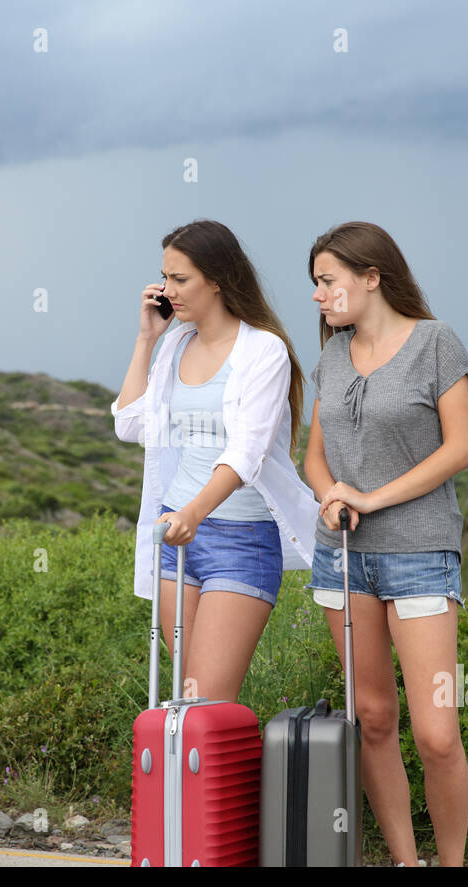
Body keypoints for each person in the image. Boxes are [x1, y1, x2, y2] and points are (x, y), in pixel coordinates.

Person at [302, 221, 468, 867]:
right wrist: (330, 494)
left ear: (372, 276)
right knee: (373, 720)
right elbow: (314, 459)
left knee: (436, 734)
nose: (318, 295)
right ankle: (407, 862)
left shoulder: (435, 342)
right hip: (343, 557)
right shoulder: (330, 357)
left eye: (328, 281)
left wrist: (372, 498)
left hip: (420, 556)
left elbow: (459, 449)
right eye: (315, 284)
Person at [111, 220, 318, 703]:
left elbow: (246, 452)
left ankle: (232, 779)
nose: (167, 291)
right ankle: (190, 783)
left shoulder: (263, 350)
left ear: (218, 279)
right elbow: (130, 425)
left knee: (205, 700)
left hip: (239, 540)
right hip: (175, 535)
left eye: (180, 279)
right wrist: (146, 339)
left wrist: (193, 514)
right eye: (164, 278)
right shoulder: (174, 344)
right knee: (183, 698)